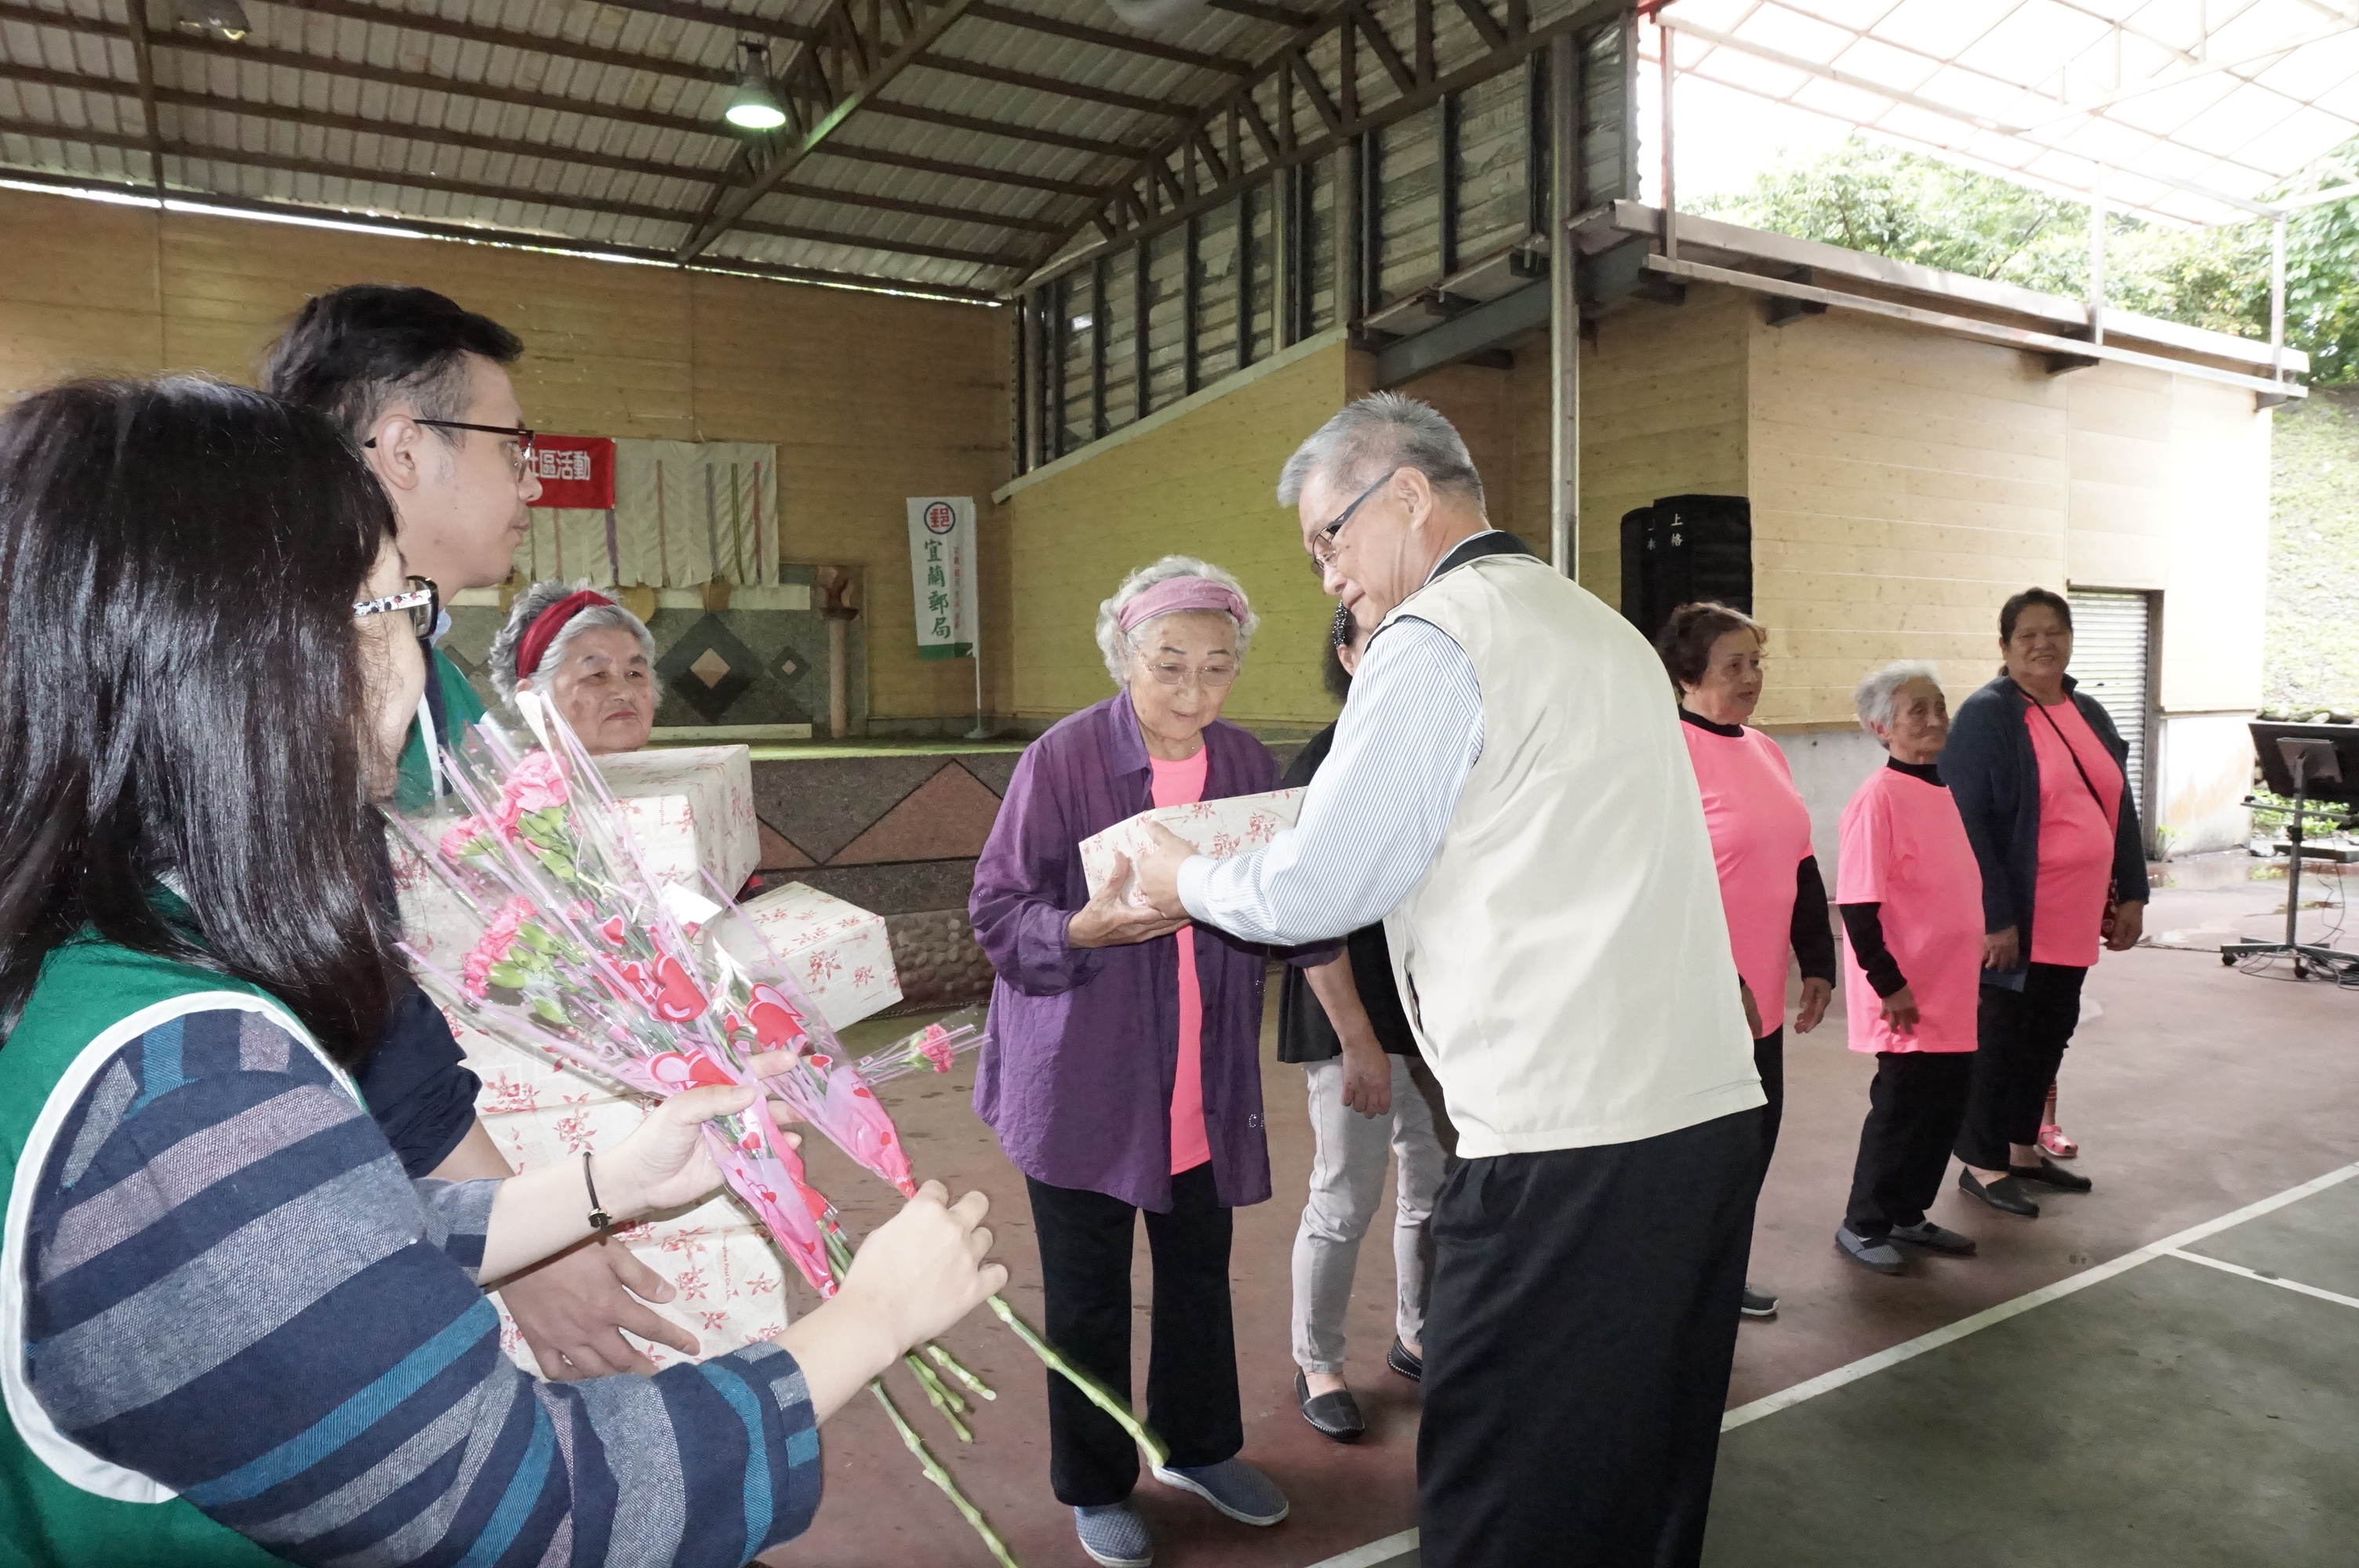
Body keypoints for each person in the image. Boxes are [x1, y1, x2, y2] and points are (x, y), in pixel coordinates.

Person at [0, 376, 1004, 1565]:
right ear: (236, 661)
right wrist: (870, 1319)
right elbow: (516, 1507)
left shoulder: (101, 964)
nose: (415, 666)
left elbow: (324, 1245)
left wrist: (603, 1185)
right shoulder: (183, 1084)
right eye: (382, 612)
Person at [1132, 395, 1765, 1568]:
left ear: (1410, 496)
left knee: (1500, 1482)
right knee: (1644, 1462)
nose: (1328, 574)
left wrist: (1187, 879)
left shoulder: (1440, 637)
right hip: (1701, 1117)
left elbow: (1325, 883)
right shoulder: (1596, 627)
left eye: (1332, 536)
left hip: (1564, 1136)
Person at [267, 285, 685, 1382]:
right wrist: (517, 1232)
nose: (531, 475)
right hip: (403, 1189)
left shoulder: (429, 672)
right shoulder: (304, 672)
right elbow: (351, 973)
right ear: (403, 449)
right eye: (514, 442)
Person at [969, 557, 1313, 1568]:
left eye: (1215, 668)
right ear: (1124, 655)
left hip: (1203, 1081)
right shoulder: (1064, 759)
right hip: (1082, 1077)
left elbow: (1287, 904)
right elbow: (997, 910)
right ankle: (1094, 1482)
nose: (1191, 692)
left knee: (1198, 1275)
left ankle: (1196, 1447)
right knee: (1085, 1292)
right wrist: (1081, 927)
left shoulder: (1249, 765)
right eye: (1168, 665)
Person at [1279, 604, 1451, 1443]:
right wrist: (1355, 1040)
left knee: (1431, 1186)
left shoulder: (1432, 751)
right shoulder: (1326, 760)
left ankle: (1419, 1334)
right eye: (1373, 644)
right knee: (1345, 1196)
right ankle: (1318, 1362)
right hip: (1346, 1011)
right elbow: (1308, 915)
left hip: (1429, 1016)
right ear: (1345, 655)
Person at [1656, 602, 1836, 1322]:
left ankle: (1718, 1277)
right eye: (1734, 665)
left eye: (1756, 663)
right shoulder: (1666, 754)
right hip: (1700, 1005)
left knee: (1750, 1152)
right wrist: (1717, 980)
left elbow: (1799, 860)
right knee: (1697, 1161)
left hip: (1759, 1004)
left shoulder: (1765, 750)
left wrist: (1816, 958)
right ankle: (1675, 1289)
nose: (1752, 678)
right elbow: (1664, 885)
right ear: (1687, 675)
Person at [1944, 588, 2149, 1219]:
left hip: (2076, 910)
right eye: (2027, 634)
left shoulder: (2087, 709)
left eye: (2054, 630)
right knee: (2001, 1038)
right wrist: (1995, 916)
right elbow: (1967, 822)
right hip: (2021, 915)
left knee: (2049, 1033)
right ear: (2004, 646)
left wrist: (2134, 891)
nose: (2042, 643)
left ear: (2069, 638)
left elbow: (2119, 803)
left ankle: (2021, 1146)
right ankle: (1982, 1162)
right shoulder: (1988, 715)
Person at [1831, 664, 1986, 1273]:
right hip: (1905, 990)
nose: (1934, 720)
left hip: (1950, 985)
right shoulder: (1878, 799)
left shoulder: (1940, 789)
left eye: (1939, 706)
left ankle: (1906, 1213)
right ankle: (1862, 1223)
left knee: (1945, 1105)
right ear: (1881, 728)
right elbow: (1859, 904)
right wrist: (1889, 983)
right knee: (1901, 1109)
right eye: (1916, 711)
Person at [489, 579, 660, 755]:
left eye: (634, 674)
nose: (625, 693)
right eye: (597, 675)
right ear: (536, 704)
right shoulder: (529, 783)